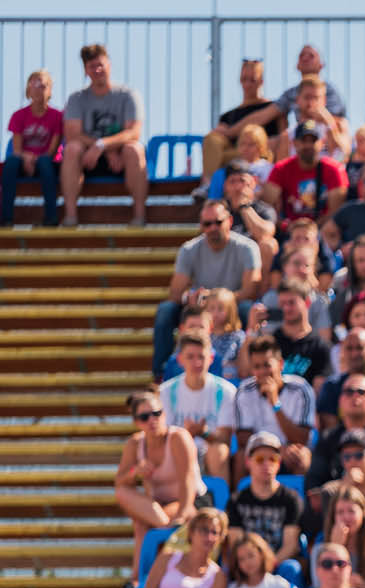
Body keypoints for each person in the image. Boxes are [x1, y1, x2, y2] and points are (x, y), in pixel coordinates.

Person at [153, 199, 261, 381]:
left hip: (232, 306)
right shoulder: (189, 249)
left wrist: (219, 300)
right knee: (166, 310)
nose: (213, 228)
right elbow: (176, 293)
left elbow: (250, 290)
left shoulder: (247, 247)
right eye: (207, 224)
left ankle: (251, 370)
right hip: (200, 308)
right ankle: (161, 374)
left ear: (230, 221)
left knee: (248, 308)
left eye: (218, 222)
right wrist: (190, 298)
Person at [114, 389, 205, 571]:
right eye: (145, 417)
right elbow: (120, 483)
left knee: (142, 525)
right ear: (136, 422)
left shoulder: (178, 437)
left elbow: (188, 482)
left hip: (189, 501)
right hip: (157, 506)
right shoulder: (134, 444)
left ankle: (136, 581)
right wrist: (135, 471)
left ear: (165, 413)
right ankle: (139, 584)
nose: (152, 420)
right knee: (124, 495)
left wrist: (181, 515)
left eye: (157, 413)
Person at [60, 44, 146, 226]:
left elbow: (133, 132)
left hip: (121, 159)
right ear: (85, 70)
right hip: (88, 160)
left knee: (135, 149)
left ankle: (139, 217)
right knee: (72, 149)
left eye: (101, 64)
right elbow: (73, 134)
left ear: (109, 64)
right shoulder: (76, 98)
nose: (98, 70)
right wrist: (103, 149)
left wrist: (102, 146)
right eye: (92, 66)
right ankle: (70, 217)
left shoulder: (128, 95)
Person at [228, 336, 316, 479]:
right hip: (260, 450)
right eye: (257, 367)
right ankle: (240, 500)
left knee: (302, 457)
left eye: (267, 365)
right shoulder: (244, 391)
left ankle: (299, 501)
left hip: (291, 450)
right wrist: (275, 449)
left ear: (280, 364)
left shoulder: (301, 389)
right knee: (239, 458)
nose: (262, 371)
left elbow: (302, 438)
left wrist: (275, 403)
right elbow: (243, 439)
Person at [159, 329, 236, 480]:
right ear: (180, 360)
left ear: (211, 358)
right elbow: (162, 438)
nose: (197, 362)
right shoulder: (165, 392)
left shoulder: (226, 391)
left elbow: (225, 439)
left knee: (219, 451)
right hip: (177, 454)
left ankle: (222, 503)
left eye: (201, 356)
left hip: (209, 455)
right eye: (190, 357)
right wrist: (187, 436)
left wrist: (203, 432)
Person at [225, 430, 305, 566]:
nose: (266, 464)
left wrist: (267, 566)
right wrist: (253, 568)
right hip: (246, 566)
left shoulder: (291, 499)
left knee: (291, 568)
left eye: (272, 459)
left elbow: (290, 546)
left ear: (279, 464)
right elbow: (235, 544)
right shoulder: (236, 501)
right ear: (248, 462)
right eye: (260, 459)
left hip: (277, 565)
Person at [201, 58, 285, 185]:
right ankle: (208, 185)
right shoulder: (228, 116)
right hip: (234, 157)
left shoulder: (273, 109)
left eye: (252, 79)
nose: (248, 84)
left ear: (261, 81)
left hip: (261, 157)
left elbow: (283, 137)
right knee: (212, 139)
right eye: (244, 79)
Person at [2, 69, 62, 226]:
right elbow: (16, 149)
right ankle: (5, 218)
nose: (39, 86)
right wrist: (27, 158)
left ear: (50, 90)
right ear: (28, 89)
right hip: (23, 161)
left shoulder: (57, 116)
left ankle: (51, 217)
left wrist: (36, 159)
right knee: (11, 163)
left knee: (44, 162)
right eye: (34, 83)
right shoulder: (18, 116)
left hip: (47, 163)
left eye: (44, 84)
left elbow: (52, 151)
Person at [249, 279, 332, 390]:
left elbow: (318, 390)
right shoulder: (272, 342)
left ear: (307, 302)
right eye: (282, 303)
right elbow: (245, 371)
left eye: (292, 302)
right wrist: (252, 328)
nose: (286, 308)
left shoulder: (320, 346)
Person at [263, 120, 348, 227]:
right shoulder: (281, 168)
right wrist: (285, 225)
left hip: (322, 229)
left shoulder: (334, 169)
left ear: (322, 143)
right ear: (294, 143)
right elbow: (266, 205)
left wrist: (311, 229)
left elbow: (336, 212)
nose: (308, 145)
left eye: (313, 140)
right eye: (303, 140)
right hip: (289, 231)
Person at [321, 485, 365, 588]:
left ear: (363, 514)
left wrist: (364, 587)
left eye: (351, 511)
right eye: (340, 512)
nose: (346, 517)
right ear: (333, 517)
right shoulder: (320, 552)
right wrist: (336, 547)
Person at [255, 246, 333, 341]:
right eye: (296, 264)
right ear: (284, 267)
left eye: (307, 265)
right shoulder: (271, 298)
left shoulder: (319, 301)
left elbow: (324, 338)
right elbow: (266, 337)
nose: (302, 269)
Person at [221, 158, 279, 280]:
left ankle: (260, 295)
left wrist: (244, 207)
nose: (237, 187)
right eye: (232, 182)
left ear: (254, 182)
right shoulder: (219, 211)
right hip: (224, 262)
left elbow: (264, 234)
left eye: (242, 181)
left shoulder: (264, 209)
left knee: (268, 244)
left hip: (253, 267)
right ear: (225, 186)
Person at [200, 288, 248, 382]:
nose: (215, 313)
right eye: (212, 308)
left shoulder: (238, 336)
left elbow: (243, 365)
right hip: (208, 382)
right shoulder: (203, 335)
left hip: (231, 381)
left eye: (220, 309)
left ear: (230, 311)